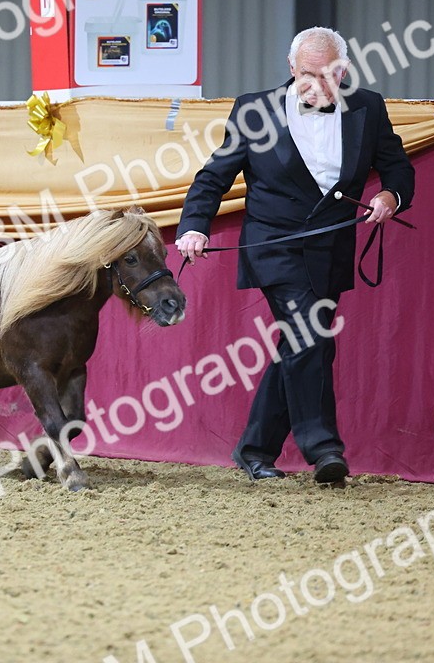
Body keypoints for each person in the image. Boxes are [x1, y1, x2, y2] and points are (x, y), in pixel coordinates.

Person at [176, 27, 415, 485]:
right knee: (310, 334)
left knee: (300, 344)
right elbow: (214, 176)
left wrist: (390, 197)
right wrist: (194, 226)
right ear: (291, 68)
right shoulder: (254, 111)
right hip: (275, 246)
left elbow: (398, 169)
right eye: (307, 74)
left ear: (343, 70)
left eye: (328, 75)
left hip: (330, 249)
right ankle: (323, 448)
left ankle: (255, 449)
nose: (316, 85)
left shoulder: (368, 107)